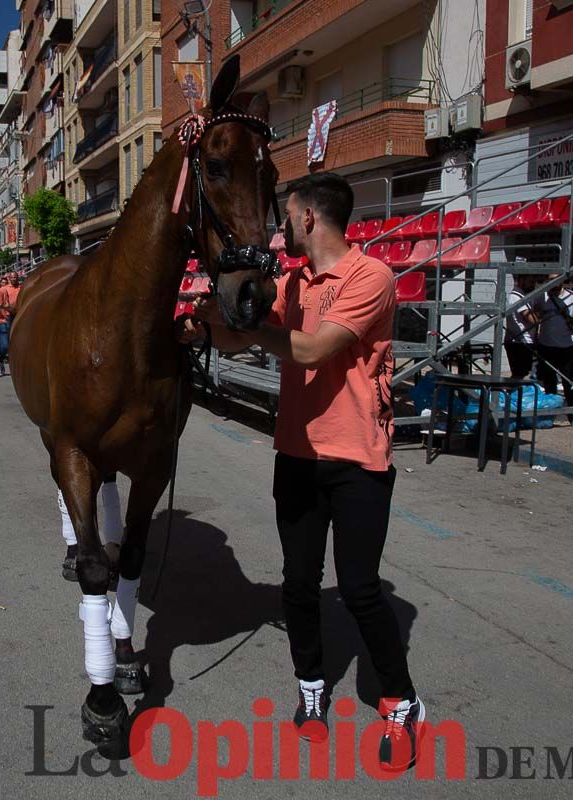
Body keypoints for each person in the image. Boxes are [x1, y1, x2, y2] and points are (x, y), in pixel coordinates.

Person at [189, 173, 424, 769]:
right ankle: (311, 688)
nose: (281, 227)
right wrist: (206, 324)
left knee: (360, 589)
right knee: (298, 584)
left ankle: (400, 702)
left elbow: (316, 348)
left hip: (357, 459)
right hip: (296, 454)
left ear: (311, 218)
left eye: (287, 216)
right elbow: (245, 343)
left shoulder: (370, 277)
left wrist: (249, 327)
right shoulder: (291, 281)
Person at [530, 277, 573, 411]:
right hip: (546, 345)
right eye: (550, 280)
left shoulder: (572, 297)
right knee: (549, 382)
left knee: (568, 381)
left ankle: (571, 410)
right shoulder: (542, 296)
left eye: (556, 279)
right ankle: (550, 411)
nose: (553, 283)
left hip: (566, 346)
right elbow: (534, 315)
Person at [503, 274, 538, 380]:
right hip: (518, 342)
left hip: (526, 341)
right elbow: (532, 319)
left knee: (524, 373)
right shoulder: (515, 296)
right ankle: (513, 393)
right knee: (520, 374)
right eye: (530, 282)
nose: (533, 285)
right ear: (521, 280)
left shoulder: (525, 296)